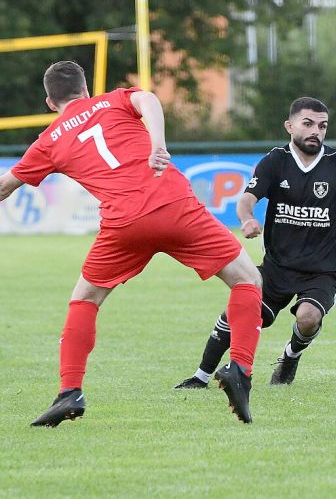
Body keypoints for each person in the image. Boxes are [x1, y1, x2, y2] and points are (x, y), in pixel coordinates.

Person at [0, 61, 263, 425]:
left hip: (124, 224)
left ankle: (69, 392)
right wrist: (158, 145)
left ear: (49, 102)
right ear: (85, 90)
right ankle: (240, 370)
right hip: (175, 207)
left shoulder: (48, 141)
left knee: (84, 299)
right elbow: (150, 99)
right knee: (248, 279)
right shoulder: (112, 101)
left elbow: (4, 186)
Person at [174, 97, 336, 390]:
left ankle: (290, 356)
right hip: (277, 267)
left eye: (322, 126)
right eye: (307, 124)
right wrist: (247, 220)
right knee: (239, 312)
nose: (315, 131)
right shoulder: (275, 161)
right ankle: (201, 377)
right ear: (289, 126)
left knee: (308, 318)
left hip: (323, 269)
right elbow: (246, 200)